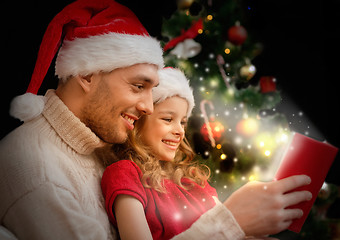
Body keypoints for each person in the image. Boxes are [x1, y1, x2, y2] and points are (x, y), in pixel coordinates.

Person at [101, 68, 313, 240]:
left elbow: (230, 231)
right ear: (138, 123)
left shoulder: (192, 181)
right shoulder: (125, 174)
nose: (179, 130)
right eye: (168, 119)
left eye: (183, 122)